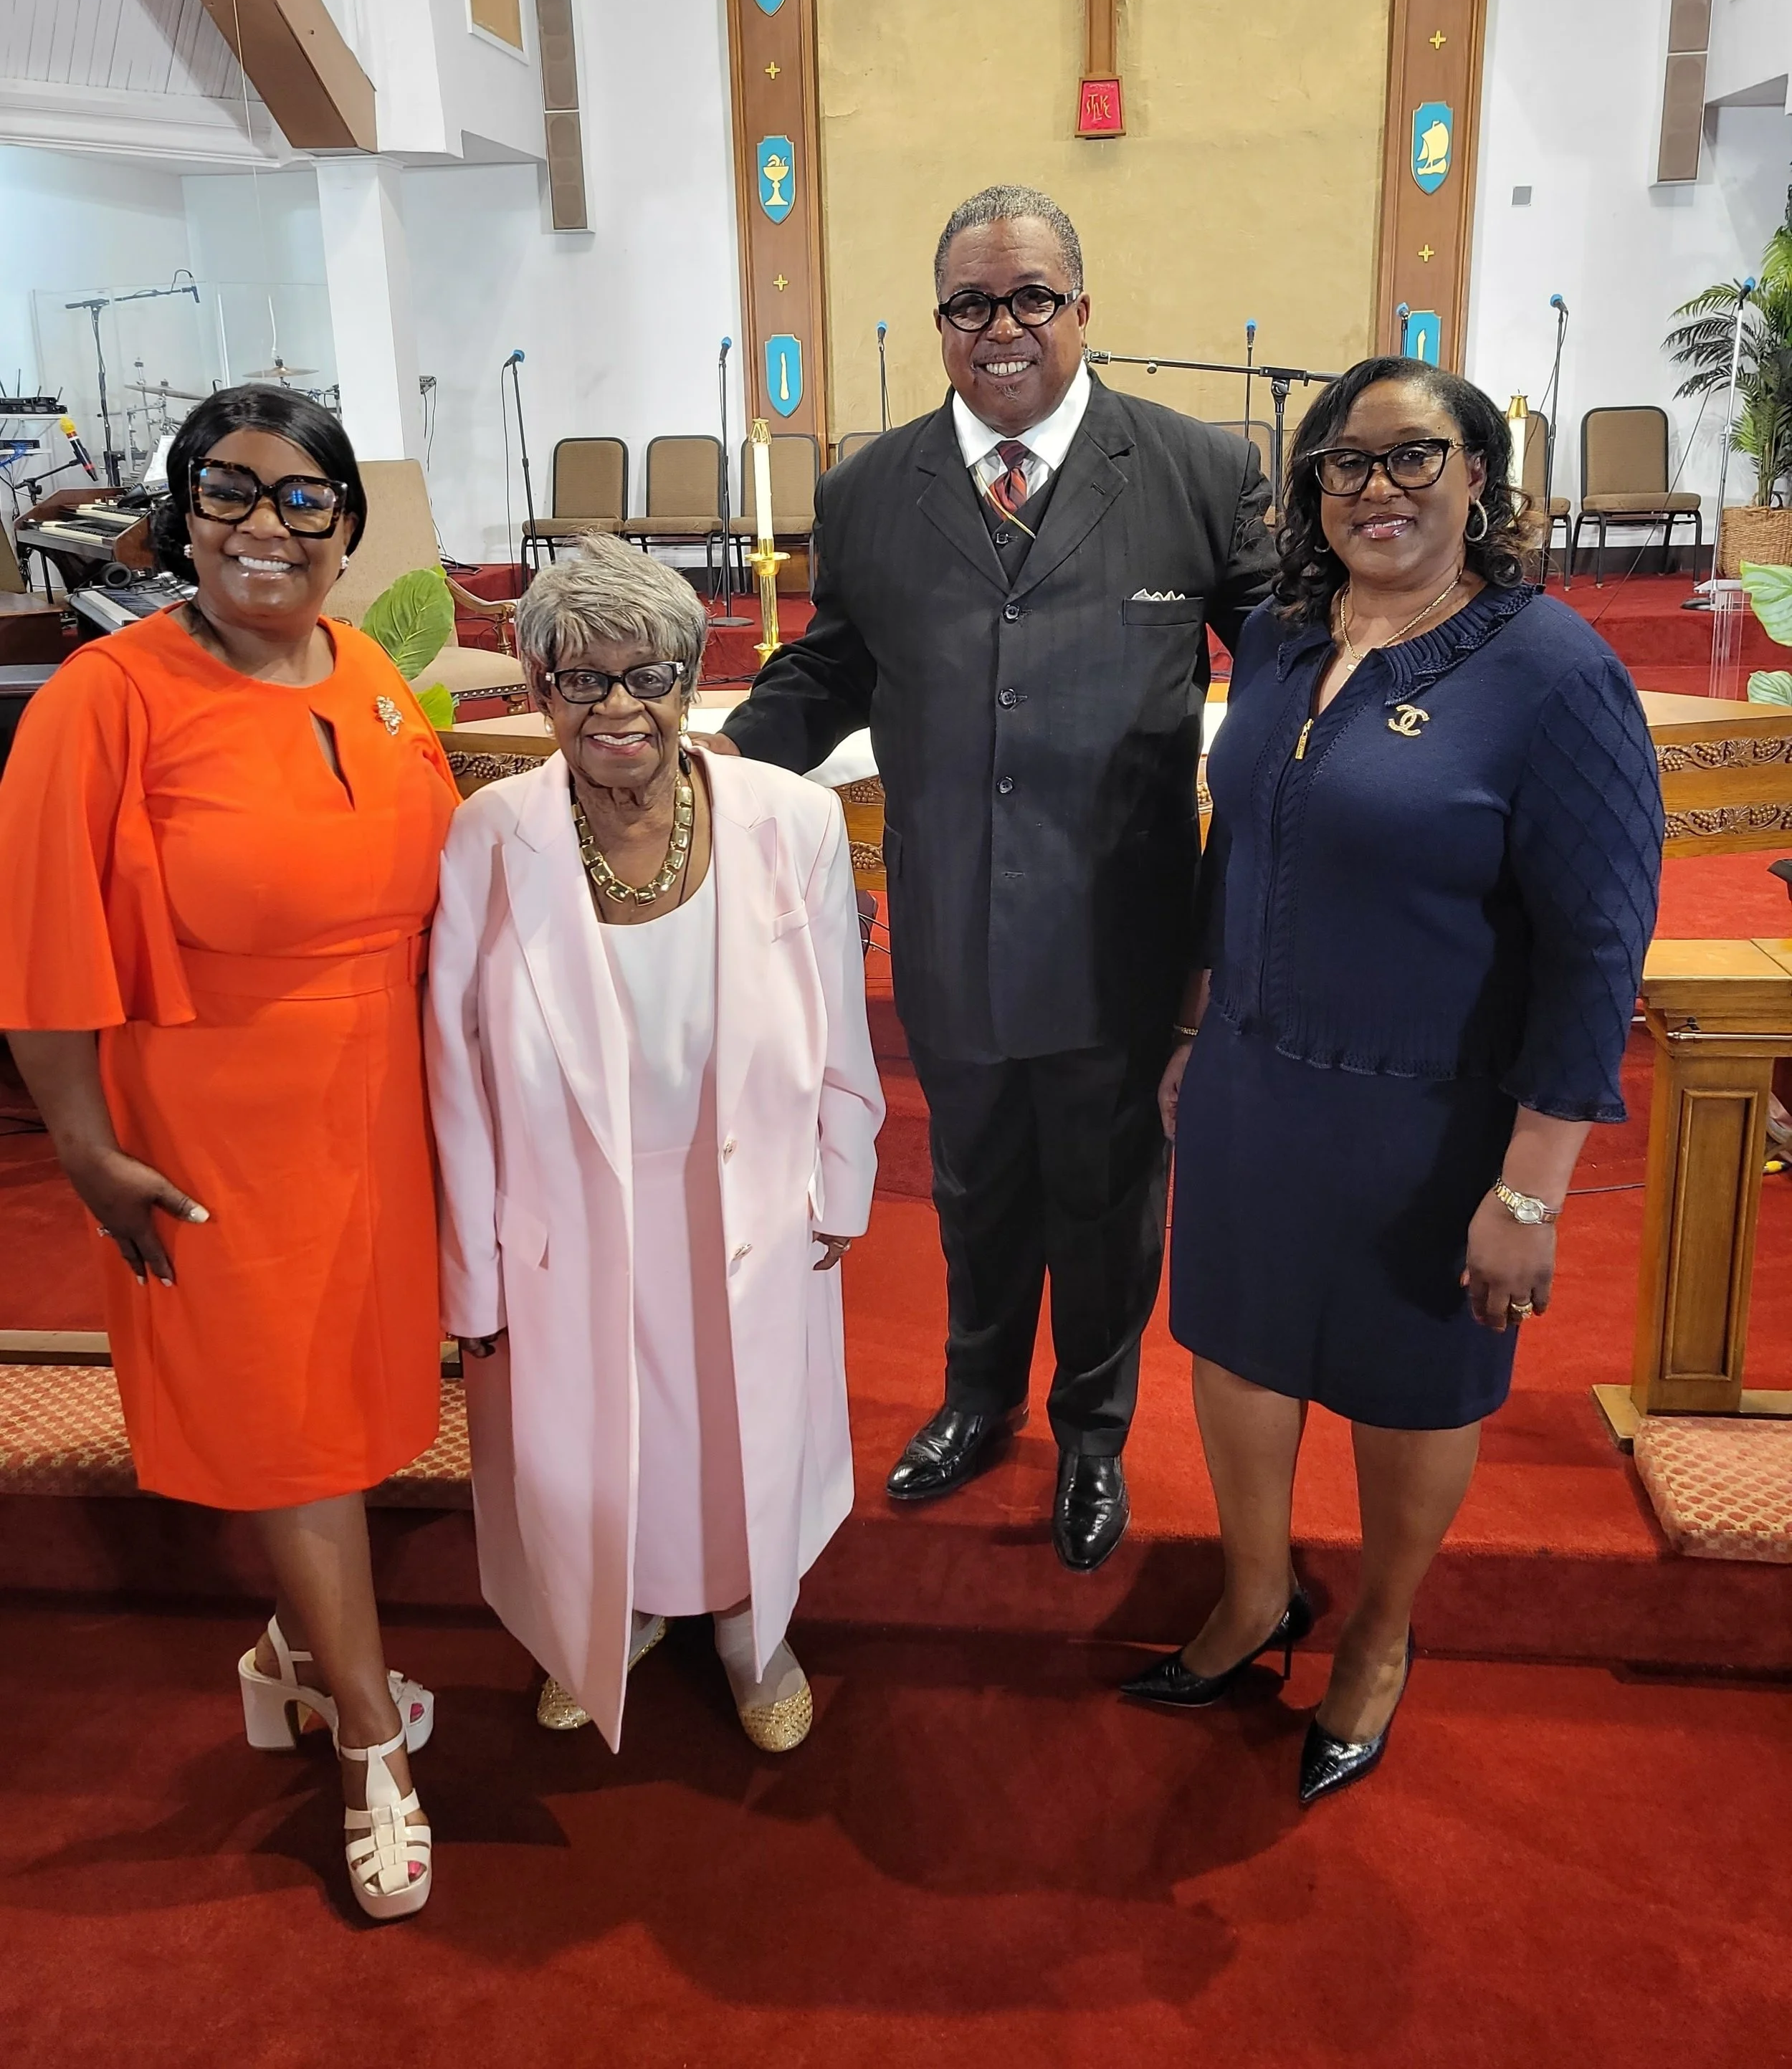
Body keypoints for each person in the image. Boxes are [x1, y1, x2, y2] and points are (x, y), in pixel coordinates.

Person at [705, 183, 1276, 1572]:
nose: (1001, 327)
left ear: (1082, 309)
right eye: (971, 303)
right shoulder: (869, 487)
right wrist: (700, 780)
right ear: (941, 323)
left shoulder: (1196, 473)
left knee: (1105, 1189)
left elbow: (1282, 674)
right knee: (971, 1186)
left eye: (1030, 297)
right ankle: (974, 1398)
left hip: (1121, 929)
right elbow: (834, 667)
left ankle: (1091, 1428)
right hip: (950, 923)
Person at [1123, 358, 1662, 1803]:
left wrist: (1530, 1192)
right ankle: (1252, 1596)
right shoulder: (1286, 642)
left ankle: (1375, 1632)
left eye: (1413, 458)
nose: (1376, 488)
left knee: (1408, 1386)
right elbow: (1229, 850)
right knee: (1233, 1353)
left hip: (1427, 1115)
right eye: (1344, 465)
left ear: (1478, 475)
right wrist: (1185, 1035)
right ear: (1312, 491)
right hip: (1251, 1084)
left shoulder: (1551, 673)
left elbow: (1596, 946)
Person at [0, 386, 457, 1917]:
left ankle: (286, 1658)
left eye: (301, 497)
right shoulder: (108, 695)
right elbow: (42, 935)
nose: (265, 525)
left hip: (371, 1109)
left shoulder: (371, 668)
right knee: (289, 1423)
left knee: (348, 1394)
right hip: (209, 1119)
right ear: (180, 510)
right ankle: (368, 1745)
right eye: (228, 491)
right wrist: (80, 1141)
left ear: (347, 522)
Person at [426, 536, 882, 1754]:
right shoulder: (491, 836)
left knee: (743, 1427)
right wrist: (471, 1271)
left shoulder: (791, 821)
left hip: (743, 1196)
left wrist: (842, 1184)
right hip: (565, 1214)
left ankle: (751, 1623)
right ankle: (604, 1615)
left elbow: (840, 1018)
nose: (619, 708)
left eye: (651, 676)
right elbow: (455, 1071)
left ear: (696, 680)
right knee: (588, 1440)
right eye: (582, 680)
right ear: (538, 693)